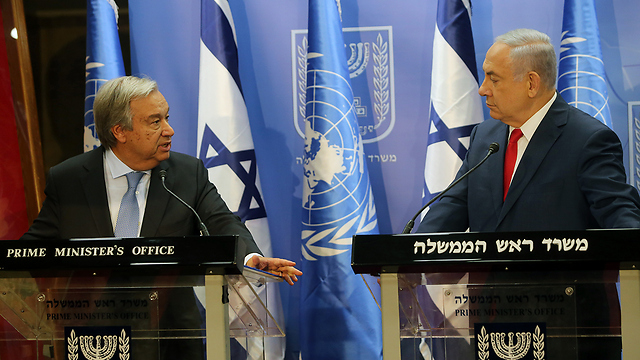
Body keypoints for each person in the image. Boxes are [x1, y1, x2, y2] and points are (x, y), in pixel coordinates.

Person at [22, 75, 301, 358]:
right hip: (94, 339)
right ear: (120, 131)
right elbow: (31, 250)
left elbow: (222, 221)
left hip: (171, 337)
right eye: (155, 122)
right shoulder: (69, 179)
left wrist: (250, 259)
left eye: (166, 118)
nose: (169, 130)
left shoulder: (185, 174)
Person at [417, 29, 640, 359]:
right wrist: (408, 258)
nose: (482, 89)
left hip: (571, 329)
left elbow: (623, 219)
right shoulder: (485, 136)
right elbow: (452, 204)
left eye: (493, 78)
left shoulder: (588, 140)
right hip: (493, 324)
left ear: (532, 83)